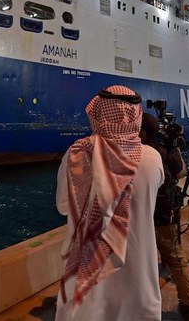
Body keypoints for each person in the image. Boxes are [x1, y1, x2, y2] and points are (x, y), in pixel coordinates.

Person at [55, 86, 164, 321]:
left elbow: (63, 206)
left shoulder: (75, 154)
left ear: (98, 113)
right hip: (139, 272)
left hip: (86, 274)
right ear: (136, 115)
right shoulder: (153, 158)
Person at [139, 113, 189, 320]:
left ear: (143, 132)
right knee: (176, 255)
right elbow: (181, 172)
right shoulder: (165, 148)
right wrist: (174, 147)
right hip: (167, 209)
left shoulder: (139, 151)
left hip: (144, 213)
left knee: (141, 259)